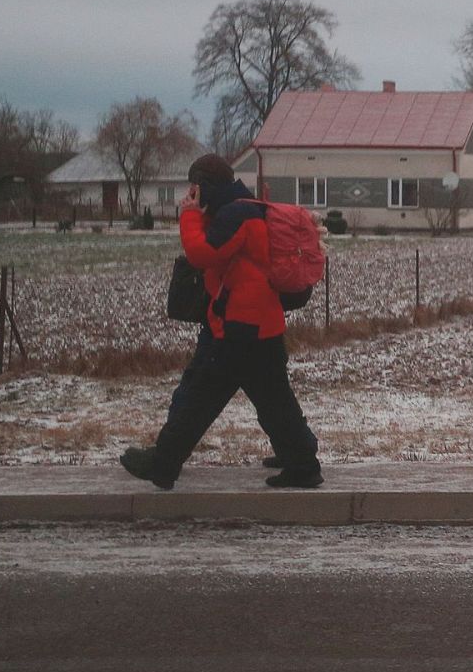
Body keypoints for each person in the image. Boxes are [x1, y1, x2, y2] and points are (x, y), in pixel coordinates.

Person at [119, 154, 322, 489]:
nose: (192, 194)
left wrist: (188, 217)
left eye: (195, 188)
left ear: (207, 186)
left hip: (240, 326)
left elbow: (202, 254)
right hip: (259, 323)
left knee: (202, 396)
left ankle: (163, 463)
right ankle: (302, 463)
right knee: (273, 398)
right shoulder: (243, 207)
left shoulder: (235, 215)